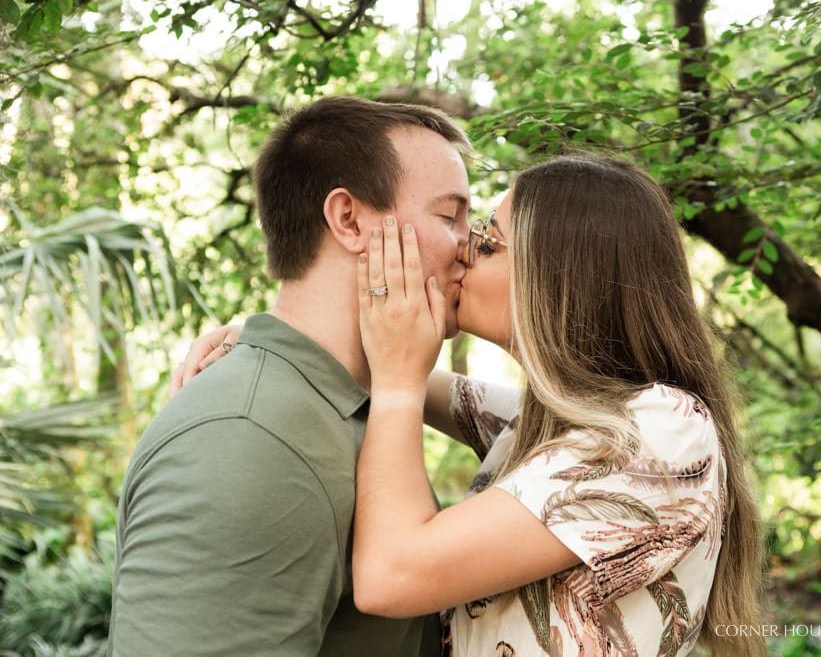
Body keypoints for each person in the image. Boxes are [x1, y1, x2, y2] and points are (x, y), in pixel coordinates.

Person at [181, 156, 766, 656]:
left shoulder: (661, 431)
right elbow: (390, 374)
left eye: (487, 242)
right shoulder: (547, 425)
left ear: (556, 276)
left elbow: (390, 577)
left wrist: (398, 382)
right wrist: (272, 337)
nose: (461, 253)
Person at [109, 96, 472, 656]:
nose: (469, 247)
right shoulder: (245, 438)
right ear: (349, 220)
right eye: (449, 216)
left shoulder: (349, 405)